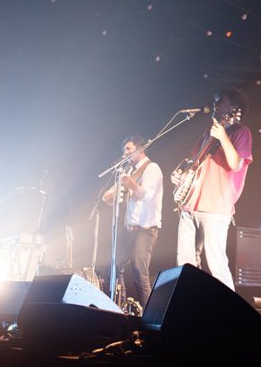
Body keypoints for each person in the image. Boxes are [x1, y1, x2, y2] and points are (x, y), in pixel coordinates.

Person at [171, 88, 253, 291]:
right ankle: (189, 304)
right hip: (190, 204)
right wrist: (180, 173)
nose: (215, 104)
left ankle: (228, 309)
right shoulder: (208, 132)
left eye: (220, 101)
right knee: (184, 264)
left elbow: (236, 164)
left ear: (234, 108)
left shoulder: (241, 132)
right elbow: (193, 160)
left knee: (216, 264)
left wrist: (223, 137)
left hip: (216, 208)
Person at [102, 135, 164, 308]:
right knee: (112, 267)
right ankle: (119, 308)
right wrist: (109, 196)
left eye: (129, 149)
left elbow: (146, 195)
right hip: (128, 229)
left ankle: (147, 315)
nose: (125, 154)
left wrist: (130, 184)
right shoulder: (129, 171)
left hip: (145, 230)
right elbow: (111, 193)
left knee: (139, 274)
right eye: (124, 150)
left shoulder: (152, 168)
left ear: (141, 149)